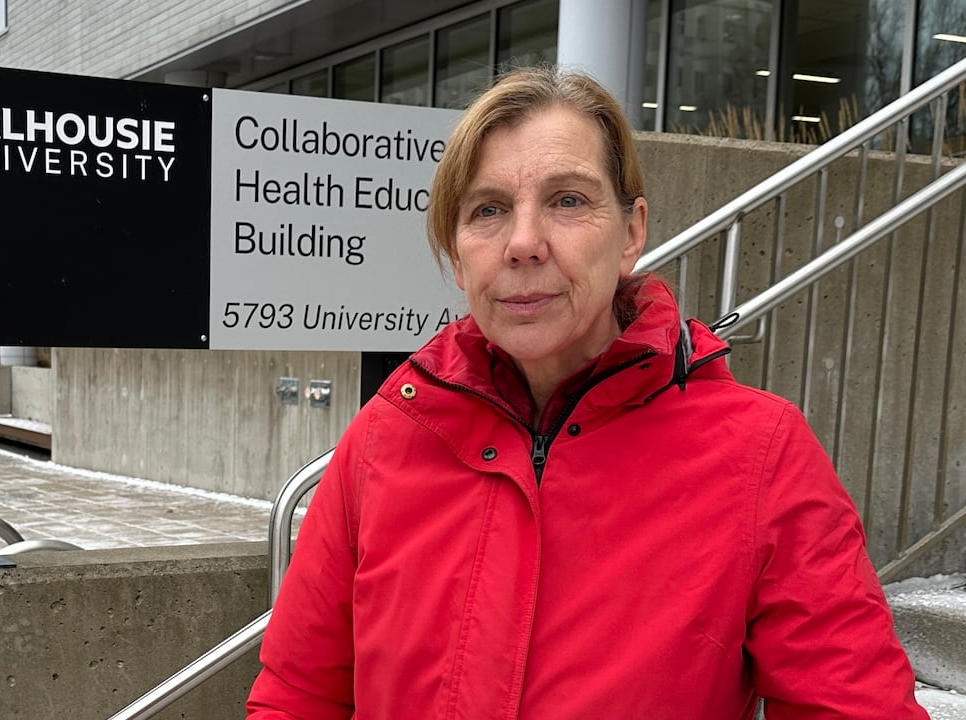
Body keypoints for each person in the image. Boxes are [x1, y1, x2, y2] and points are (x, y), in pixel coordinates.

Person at [245, 66, 928, 719]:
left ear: (631, 233)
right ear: (457, 254)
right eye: (488, 210)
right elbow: (298, 696)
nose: (523, 242)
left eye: (568, 200)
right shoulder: (384, 441)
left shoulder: (760, 458)